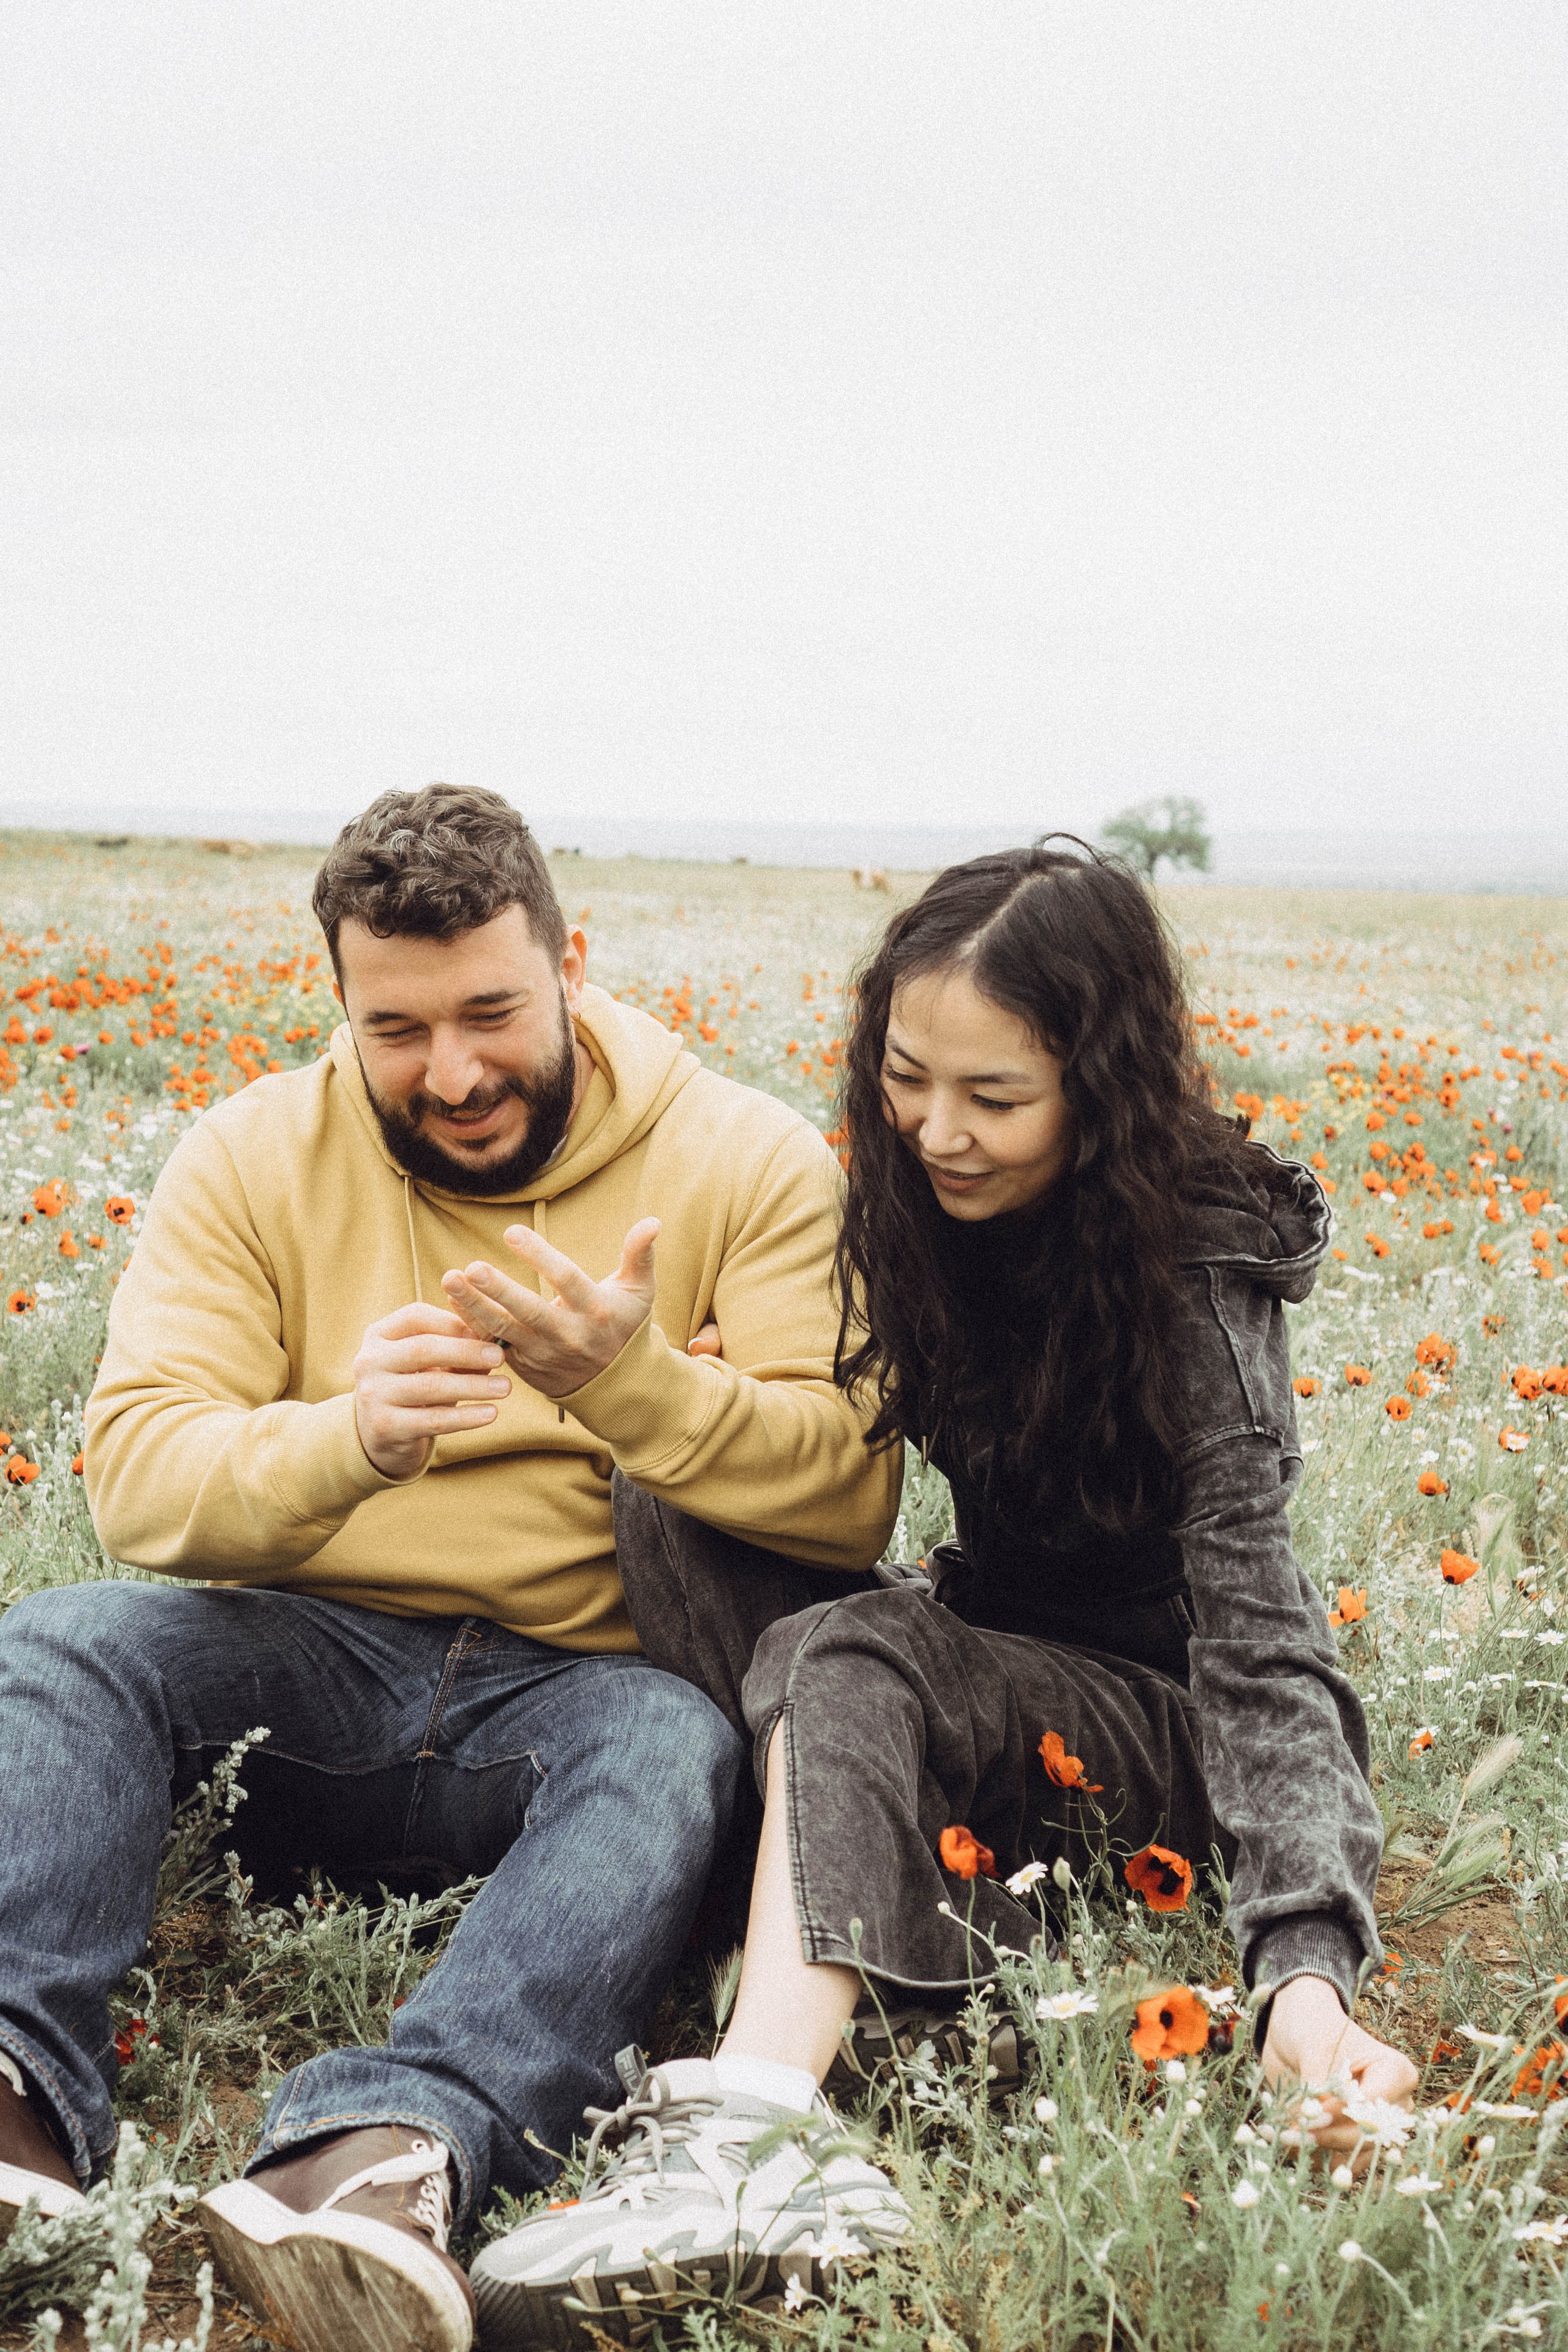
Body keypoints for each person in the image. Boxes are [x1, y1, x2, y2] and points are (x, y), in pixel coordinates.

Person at [471, 841, 1419, 2345]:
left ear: (1098, 1093)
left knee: (856, 1648)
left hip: (1158, 1731)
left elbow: (1260, 1639)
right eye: (908, 1078)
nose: (934, 1130)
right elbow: (814, 1457)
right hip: (992, 1660)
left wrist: (1300, 1974)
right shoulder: (914, 1201)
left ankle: (764, 2140)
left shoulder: (1188, 1272)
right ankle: (819, 1930)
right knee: (671, 1489)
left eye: (994, 1098)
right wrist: (639, 1385)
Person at [0, 784, 899, 2352]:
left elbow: (849, 1496)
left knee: (673, 1747)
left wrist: (633, 1387)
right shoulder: (253, 1155)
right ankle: (14, 2118)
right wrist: (348, 1438)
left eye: (491, 1011)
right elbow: (139, 1479)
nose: (455, 1071)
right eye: (396, 1029)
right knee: (63, 1642)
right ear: (340, 1001)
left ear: (570, 961)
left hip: (580, 1698)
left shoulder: (739, 1156)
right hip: (305, 1664)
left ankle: (377, 2159)